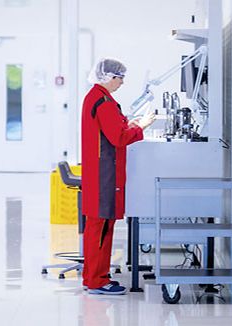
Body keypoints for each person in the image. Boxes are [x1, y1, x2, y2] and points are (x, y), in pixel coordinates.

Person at [81, 58, 156, 295]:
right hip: (103, 174)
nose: (122, 82)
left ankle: (97, 276)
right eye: (120, 78)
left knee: (101, 226)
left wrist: (128, 124)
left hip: (99, 171)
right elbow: (119, 138)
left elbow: (113, 128)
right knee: (101, 227)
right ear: (109, 77)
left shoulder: (98, 97)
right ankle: (96, 281)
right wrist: (141, 126)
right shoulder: (102, 101)